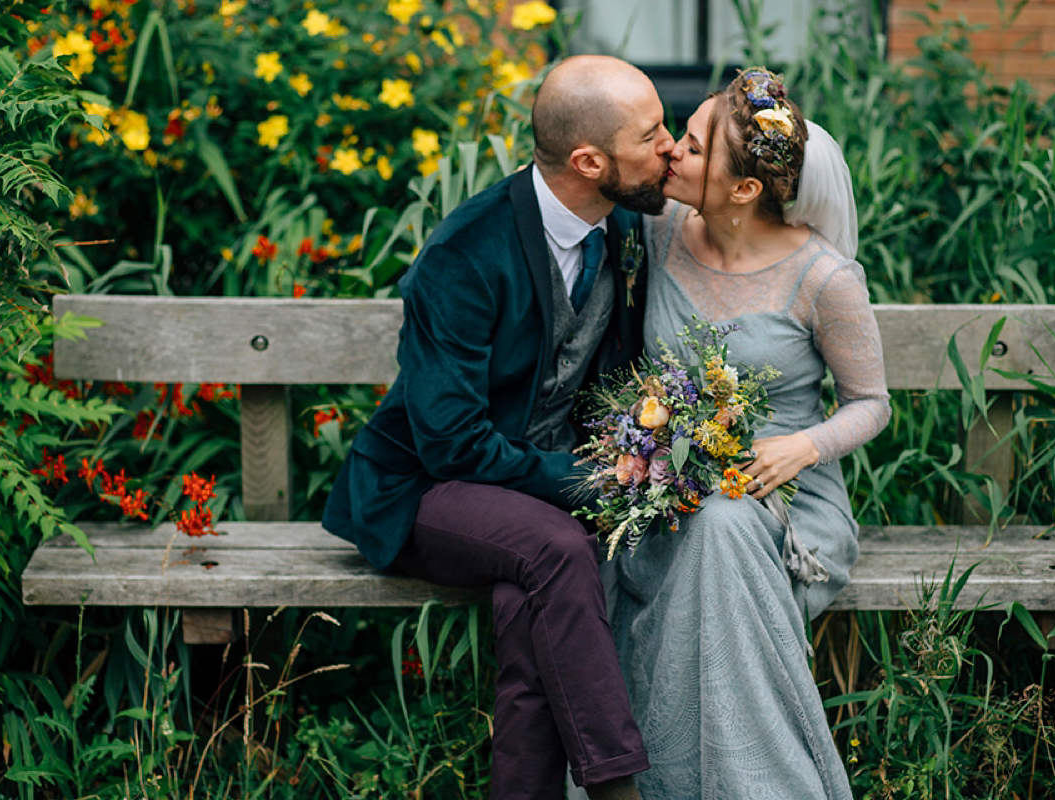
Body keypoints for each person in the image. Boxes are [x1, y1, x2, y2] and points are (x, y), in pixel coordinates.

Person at [322, 55, 676, 800]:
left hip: (522, 497)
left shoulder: (616, 229)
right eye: (652, 135)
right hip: (425, 486)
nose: (670, 146)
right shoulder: (464, 253)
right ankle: (620, 790)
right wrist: (587, 480)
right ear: (589, 161)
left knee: (530, 600)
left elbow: (600, 376)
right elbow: (450, 443)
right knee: (556, 548)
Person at [605, 67, 891, 798]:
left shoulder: (824, 278)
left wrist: (803, 446)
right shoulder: (661, 229)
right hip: (673, 482)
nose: (671, 153)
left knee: (723, 530)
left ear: (743, 190)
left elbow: (871, 404)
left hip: (785, 497)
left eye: (693, 148)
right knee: (706, 527)